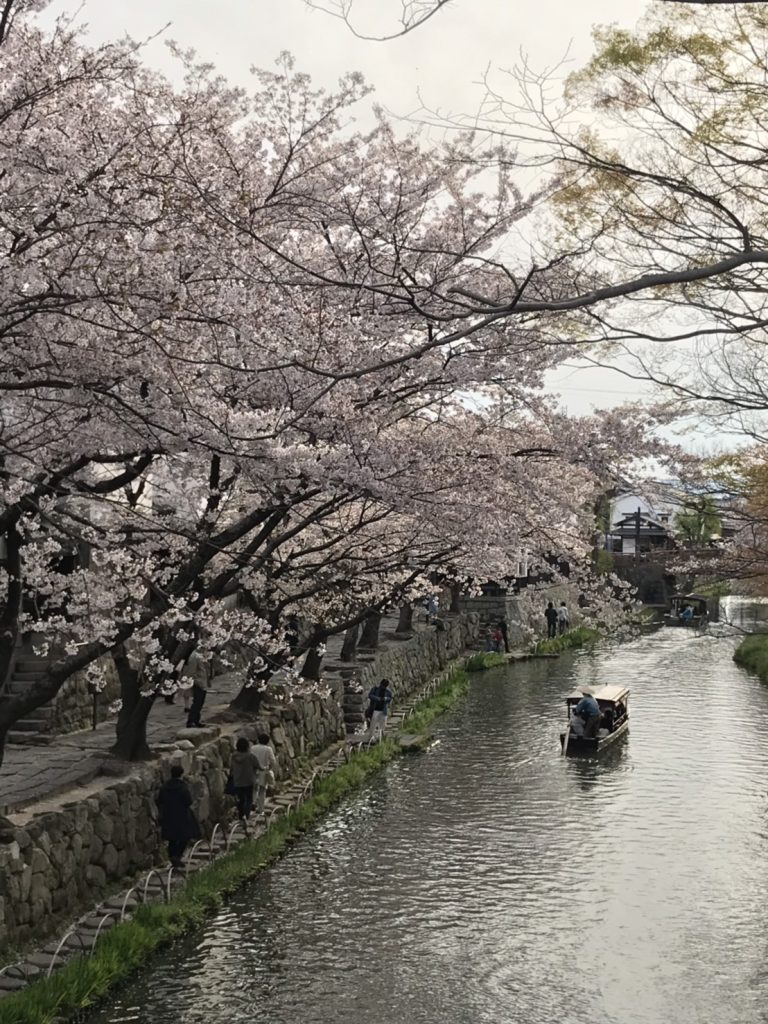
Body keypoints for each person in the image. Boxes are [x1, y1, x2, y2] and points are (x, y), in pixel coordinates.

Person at [156, 764, 201, 868]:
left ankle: (173, 857)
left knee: (172, 839)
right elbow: (188, 802)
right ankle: (177, 856)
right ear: (181, 774)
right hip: (182, 816)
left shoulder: (164, 787)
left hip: (168, 816)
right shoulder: (183, 788)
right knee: (185, 838)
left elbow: (160, 800)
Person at [230, 736, 259, 821]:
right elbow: (258, 765)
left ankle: (241, 815)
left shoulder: (233, 756)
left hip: (238, 781)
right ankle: (247, 815)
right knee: (249, 799)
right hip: (249, 781)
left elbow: (231, 767)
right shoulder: (250, 756)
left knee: (241, 799)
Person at [252, 732, 279, 814]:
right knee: (262, 790)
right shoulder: (268, 749)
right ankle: (261, 809)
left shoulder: (253, 748)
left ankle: (253, 802)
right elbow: (273, 761)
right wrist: (269, 768)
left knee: (254, 789)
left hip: (253, 771)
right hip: (264, 771)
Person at [185, 649, 211, 728]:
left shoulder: (202, 655)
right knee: (197, 702)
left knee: (200, 702)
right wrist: (197, 681)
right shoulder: (194, 656)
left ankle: (196, 720)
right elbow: (191, 672)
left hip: (203, 682)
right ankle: (191, 721)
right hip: (198, 683)